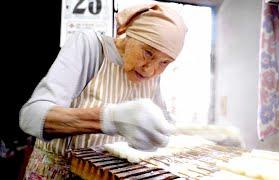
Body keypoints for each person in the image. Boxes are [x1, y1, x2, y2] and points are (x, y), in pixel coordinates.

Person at [19, 2, 187, 179]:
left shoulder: (151, 76)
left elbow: (162, 122)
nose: (150, 69)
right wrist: (110, 119)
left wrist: (157, 133)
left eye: (165, 62)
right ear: (128, 34)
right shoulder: (90, 47)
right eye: (147, 52)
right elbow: (31, 116)